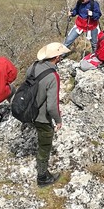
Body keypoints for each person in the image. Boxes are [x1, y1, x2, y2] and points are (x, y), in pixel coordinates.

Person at [31, 42, 69, 187]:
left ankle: (42, 174)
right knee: (44, 145)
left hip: (30, 110)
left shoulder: (34, 66)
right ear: (57, 57)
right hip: (41, 117)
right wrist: (58, 120)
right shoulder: (53, 76)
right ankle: (42, 177)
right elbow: (52, 106)